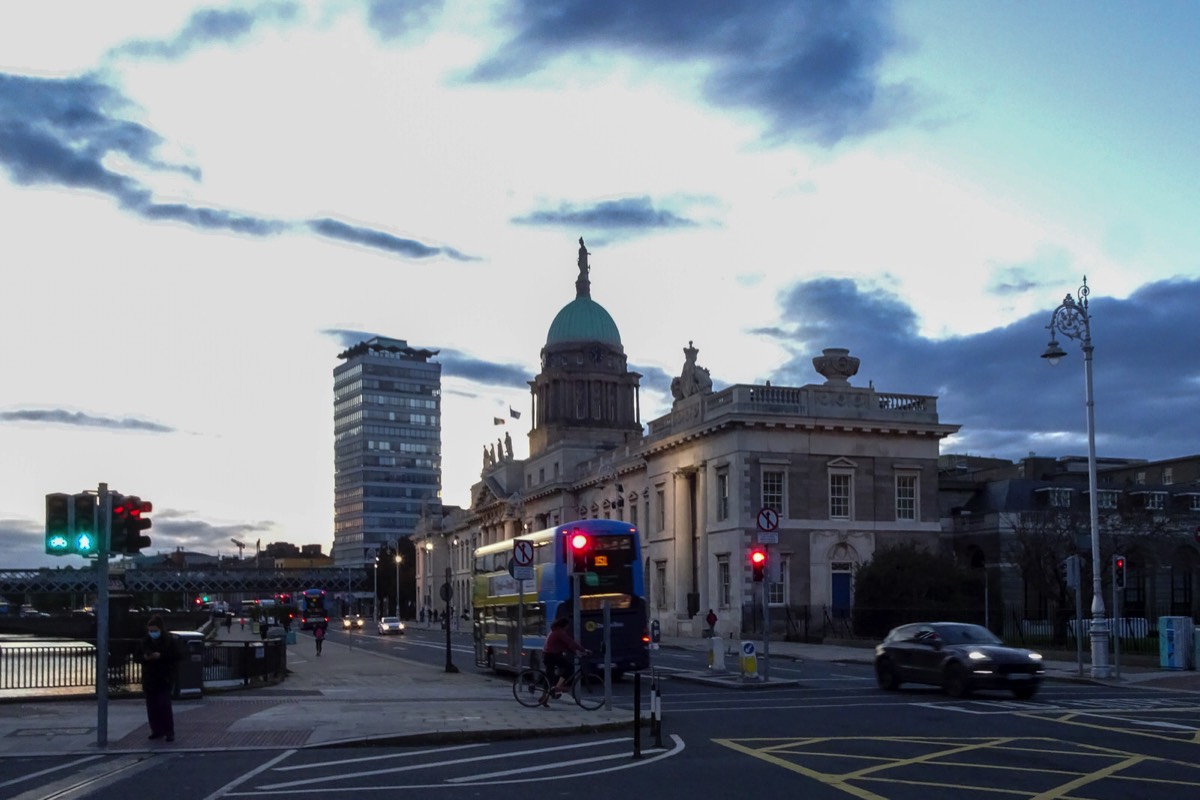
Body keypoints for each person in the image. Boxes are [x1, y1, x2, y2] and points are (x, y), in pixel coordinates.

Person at [140, 615, 176, 742]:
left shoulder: (168, 641)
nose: (152, 633)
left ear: (160, 630)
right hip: (149, 678)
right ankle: (156, 730)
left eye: (155, 630)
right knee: (152, 707)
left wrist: (160, 656)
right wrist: (145, 657)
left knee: (164, 706)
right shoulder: (145, 641)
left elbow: (175, 656)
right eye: (150, 630)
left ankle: (169, 731)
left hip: (163, 677)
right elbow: (137, 656)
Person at [542, 617, 589, 703]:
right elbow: (570, 642)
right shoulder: (560, 632)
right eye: (567, 626)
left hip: (548, 655)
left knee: (549, 677)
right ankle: (557, 687)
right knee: (569, 667)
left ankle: (545, 697)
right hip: (552, 656)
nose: (568, 627)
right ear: (564, 625)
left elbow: (567, 646)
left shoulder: (554, 631)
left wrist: (576, 653)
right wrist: (583, 650)